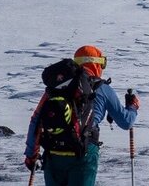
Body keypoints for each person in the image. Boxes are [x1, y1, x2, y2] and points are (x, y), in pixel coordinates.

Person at [23, 45, 140, 186]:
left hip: (54, 153)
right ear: (97, 64)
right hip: (84, 153)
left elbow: (36, 120)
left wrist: (31, 155)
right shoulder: (102, 88)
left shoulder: (56, 88)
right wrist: (133, 107)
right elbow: (126, 122)